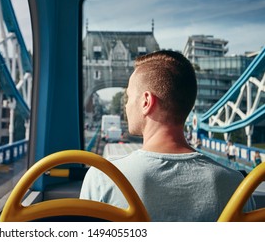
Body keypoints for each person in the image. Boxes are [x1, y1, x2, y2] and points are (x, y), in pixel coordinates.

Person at [80, 50, 254, 221]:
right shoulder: (237, 185)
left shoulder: (102, 178)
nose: (126, 106)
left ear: (146, 102)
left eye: (128, 97)